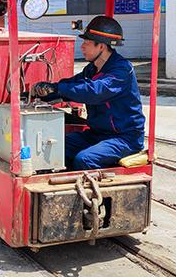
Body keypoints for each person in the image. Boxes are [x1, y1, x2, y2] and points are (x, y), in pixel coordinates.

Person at [31, 15, 145, 170]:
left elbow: (94, 91)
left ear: (101, 46)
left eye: (86, 42)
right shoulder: (91, 69)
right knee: (56, 147)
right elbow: (73, 85)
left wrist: (58, 89)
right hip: (97, 134)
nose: (82, 47)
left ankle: (86, 185)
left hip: (124, 139)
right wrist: (45, 92)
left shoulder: (122, 70)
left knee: (84, 159)